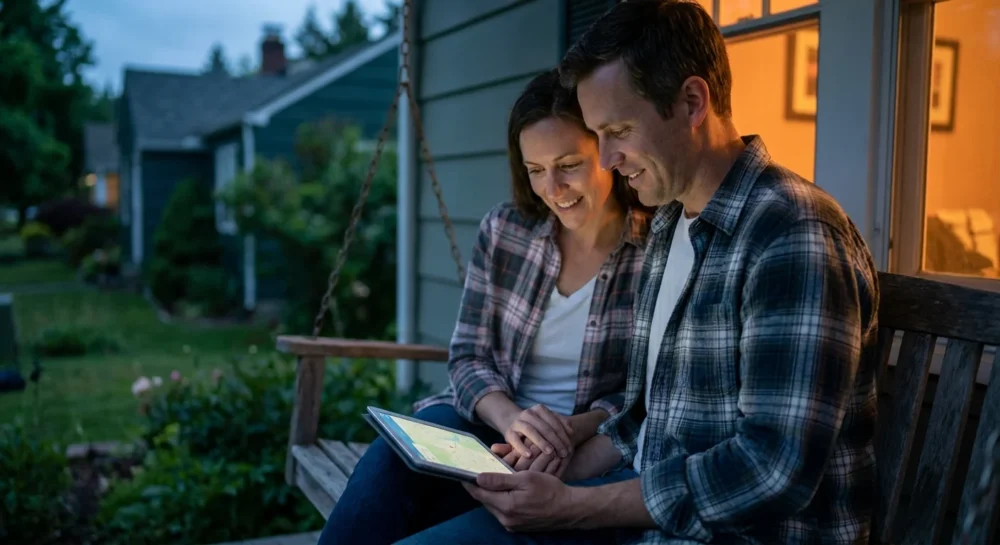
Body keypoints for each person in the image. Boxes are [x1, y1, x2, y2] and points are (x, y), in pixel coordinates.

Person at [396, 1, 880, 544]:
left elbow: (771, 468)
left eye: (619, 130)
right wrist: (551, 474)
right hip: (645, 514)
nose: (605, 160)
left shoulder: (792, 233)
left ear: (693, 102)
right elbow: (641, 416)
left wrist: (576, 507)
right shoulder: (671, 224)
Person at [316, 68, 653, 545]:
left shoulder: (654, 250)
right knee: (386, 462)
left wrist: (567, 430)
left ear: (604, 152)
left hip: (587, 451)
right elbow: (468, 356)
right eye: (535, 170)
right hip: (484, 426)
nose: (552, 188)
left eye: (568, 164)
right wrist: (513, 419)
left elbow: (645, 392)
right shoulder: (506, 229)